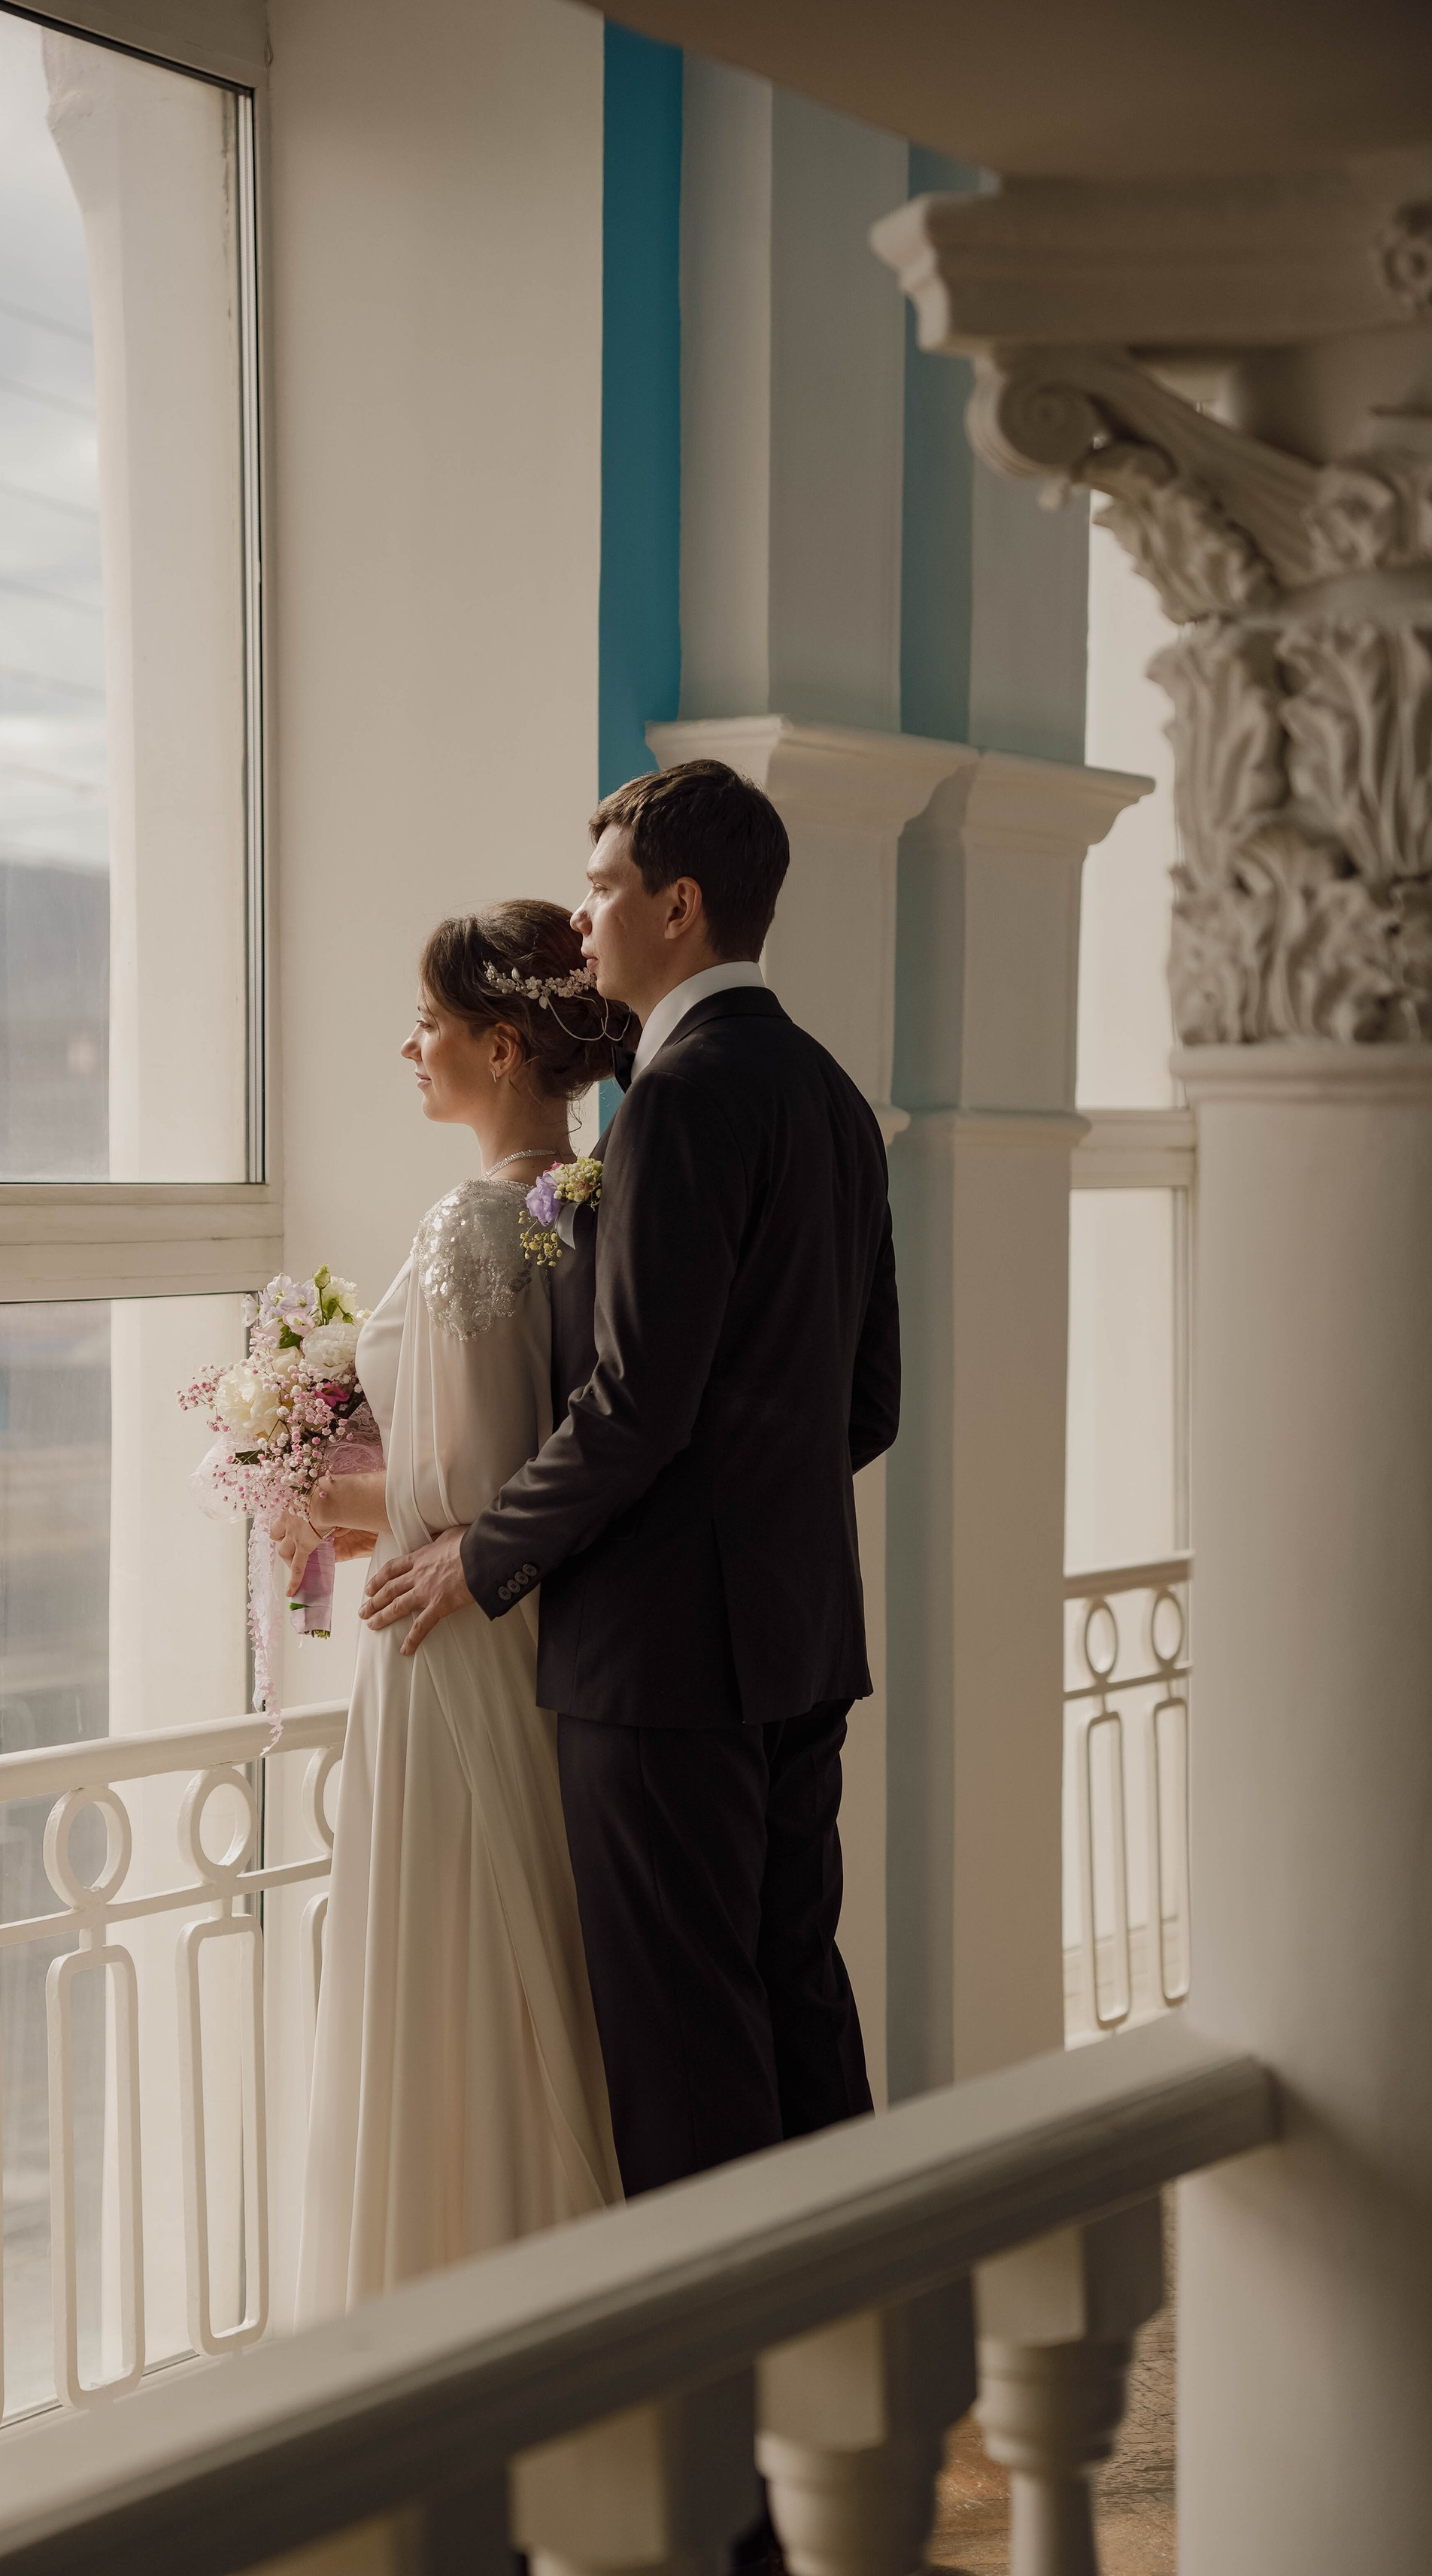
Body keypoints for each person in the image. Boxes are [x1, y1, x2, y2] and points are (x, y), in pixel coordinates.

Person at [363, 759, 899, 2197]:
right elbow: (865, 1403)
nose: (585, 922)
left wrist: (479, 1559)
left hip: (664, 1665)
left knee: (684, 2044)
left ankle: (719, 2390)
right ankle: (854, 2325)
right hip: (800, 1638)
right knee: (797, 1996)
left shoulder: (675, 1100)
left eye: (603, 890)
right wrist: (750, 1524)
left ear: (678, 903)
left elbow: (634, 1407)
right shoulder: (834, 1097)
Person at [275, 902, 629, 2322]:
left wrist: (322, 1503)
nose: (407, 1045)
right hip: (513, 1625)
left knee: (449, 1973)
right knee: (496, 1963)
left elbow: (468, 1482)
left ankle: (447, 2318)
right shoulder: (577, 1198)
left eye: (429, 1021)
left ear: (499, 1043)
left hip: (451, 1646)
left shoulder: (482, 1216)